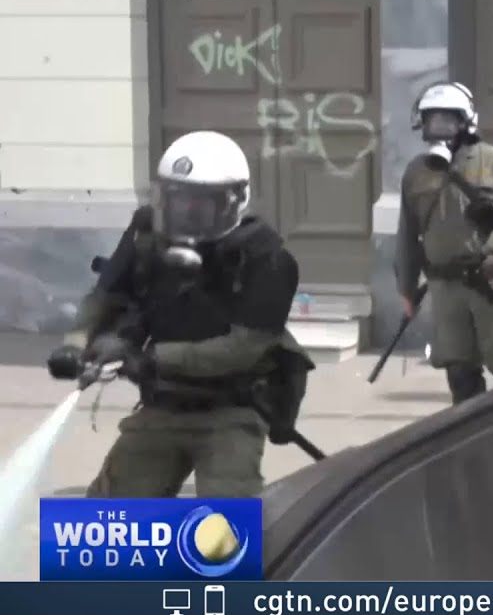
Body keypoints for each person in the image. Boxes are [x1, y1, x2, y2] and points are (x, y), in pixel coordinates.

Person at [45, 131, 312, 497]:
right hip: (163, 404)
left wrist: (151, 359)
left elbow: (244, 348)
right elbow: (105, 296)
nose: (187, 212)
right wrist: (76, 345)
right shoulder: (145, 235)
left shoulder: (268, 259)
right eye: (178, 199)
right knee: (108, 518)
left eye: (201, 203)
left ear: (234, 201)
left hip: (232, 410)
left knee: (226, 521)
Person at [396, 81, 493, 403]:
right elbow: (407, 236)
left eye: (448, 119)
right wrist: (407, 289)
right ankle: (474, 434)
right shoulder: (416, 173)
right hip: (445, 290)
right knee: (460, 375)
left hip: (489, 284)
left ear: (466, 121)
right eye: (432, 119)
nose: (439, 127)